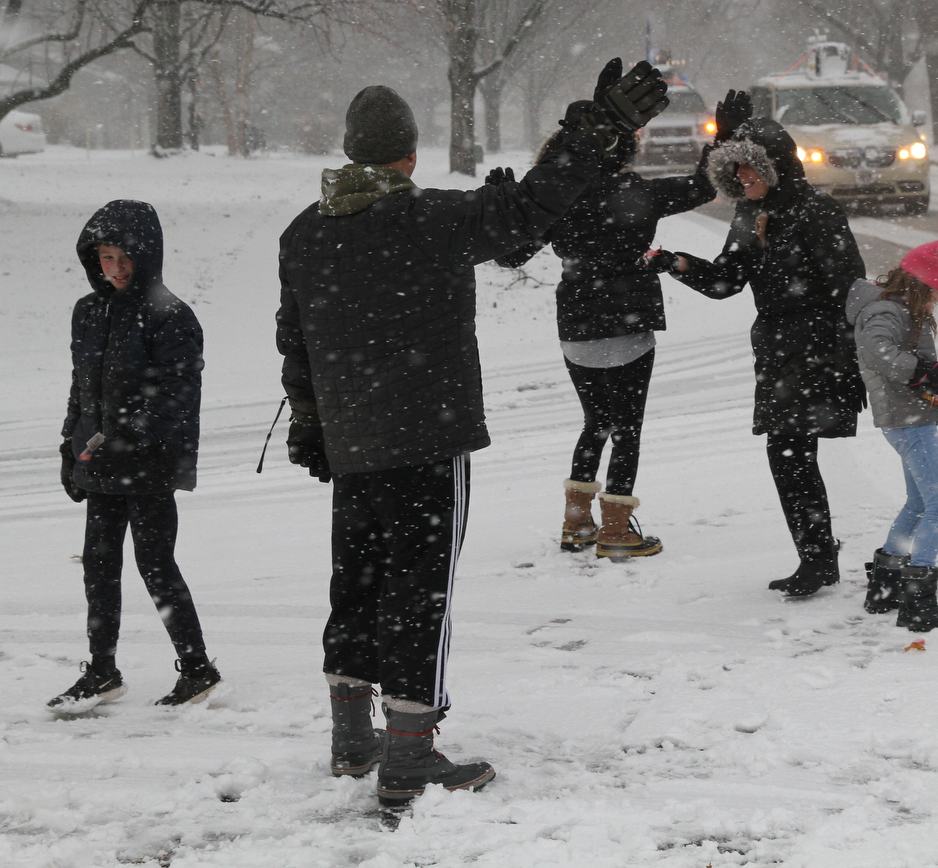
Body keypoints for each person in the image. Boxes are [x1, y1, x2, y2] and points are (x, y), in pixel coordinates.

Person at [277, 64, 666, 806]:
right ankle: (410, 754)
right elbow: (529, 211)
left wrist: (309, 422)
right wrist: (592, 138)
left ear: (351, 151)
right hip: (426, 437)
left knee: (356, 582)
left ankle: (352, 738)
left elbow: (293, 341)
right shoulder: (431, 220)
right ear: (410, 155)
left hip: (351, 444)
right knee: (420, 592)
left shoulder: (305, 234)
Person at [492, 71, 726, 560]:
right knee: (627, 429)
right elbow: (704, 188)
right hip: (628, 321)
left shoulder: (555, 197)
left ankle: (576, 522)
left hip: (575, 322)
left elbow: (511, 256)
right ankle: (617, 531)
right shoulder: (634, 192)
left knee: (594, 421)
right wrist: (720, 139)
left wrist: (502, 208)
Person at [648, 107, 866, 596]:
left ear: (774, 168)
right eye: (734, 168)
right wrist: (675, 262)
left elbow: (848, 289)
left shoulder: (817, 212)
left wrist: (852, 362)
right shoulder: (752, 213)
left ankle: (819, 557)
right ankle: (818, 555)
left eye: (748, 167)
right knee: (789, 455)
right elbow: (726, 280)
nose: (740, 176)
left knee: (790, 454)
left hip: (817, 349)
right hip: (776, 351)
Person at [50, 200, 221, 713]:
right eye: (106, 257)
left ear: (147, 257)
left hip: (149, 464)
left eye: (125, 257)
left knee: (155, 565)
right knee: (99, 567)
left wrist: (132, 436)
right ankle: (102, 672)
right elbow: (82, 389)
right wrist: (69, 444)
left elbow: (178, 395)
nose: (117, 268)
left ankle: (197, 669)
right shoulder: (88, 311)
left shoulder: (170, 315)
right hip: (98, 462)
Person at [844, 240, 938, 632]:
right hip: (909, 423)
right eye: (935, 294)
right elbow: (876, 350)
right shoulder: (888, 309)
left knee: (919, 504)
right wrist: (922, 373)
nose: (936, 303)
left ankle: (885, 585)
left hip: (907, 418)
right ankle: (919, 600)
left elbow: (915, 372)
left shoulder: (900, 308)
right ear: (921, 284)